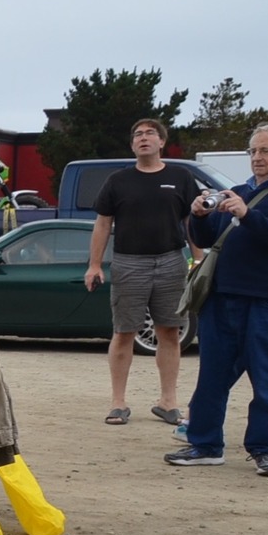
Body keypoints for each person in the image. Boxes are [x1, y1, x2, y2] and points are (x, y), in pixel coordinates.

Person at [166, 123, 268, 476]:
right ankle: (205, 444)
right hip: (222, 297)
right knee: (212, 377)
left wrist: (247, 214)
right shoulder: (237, 191)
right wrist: (200, 215)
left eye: (265, 151)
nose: (257, 158)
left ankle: (266, 450)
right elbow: (208, 239)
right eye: (252, 151)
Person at [84, 118, 204, 427]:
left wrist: (199, 257)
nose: (144, 138)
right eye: (138, 134)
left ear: (162, 142)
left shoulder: (181, 177)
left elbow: (192, 221)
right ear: (132, 144)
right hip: (128, 263)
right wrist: (95, 264)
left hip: (170, 261)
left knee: (169, 332)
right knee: (124, 331)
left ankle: (168, 403)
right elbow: (103, 223)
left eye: (151, 133)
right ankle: (118, 403)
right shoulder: (118, 181)